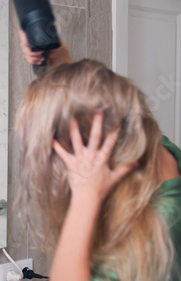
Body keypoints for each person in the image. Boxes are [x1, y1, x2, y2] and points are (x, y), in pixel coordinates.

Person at [16, 31, 181, 281]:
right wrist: (61, 61)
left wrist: (86, 194)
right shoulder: (163, 157)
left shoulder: (130, 258)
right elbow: (109, 123)